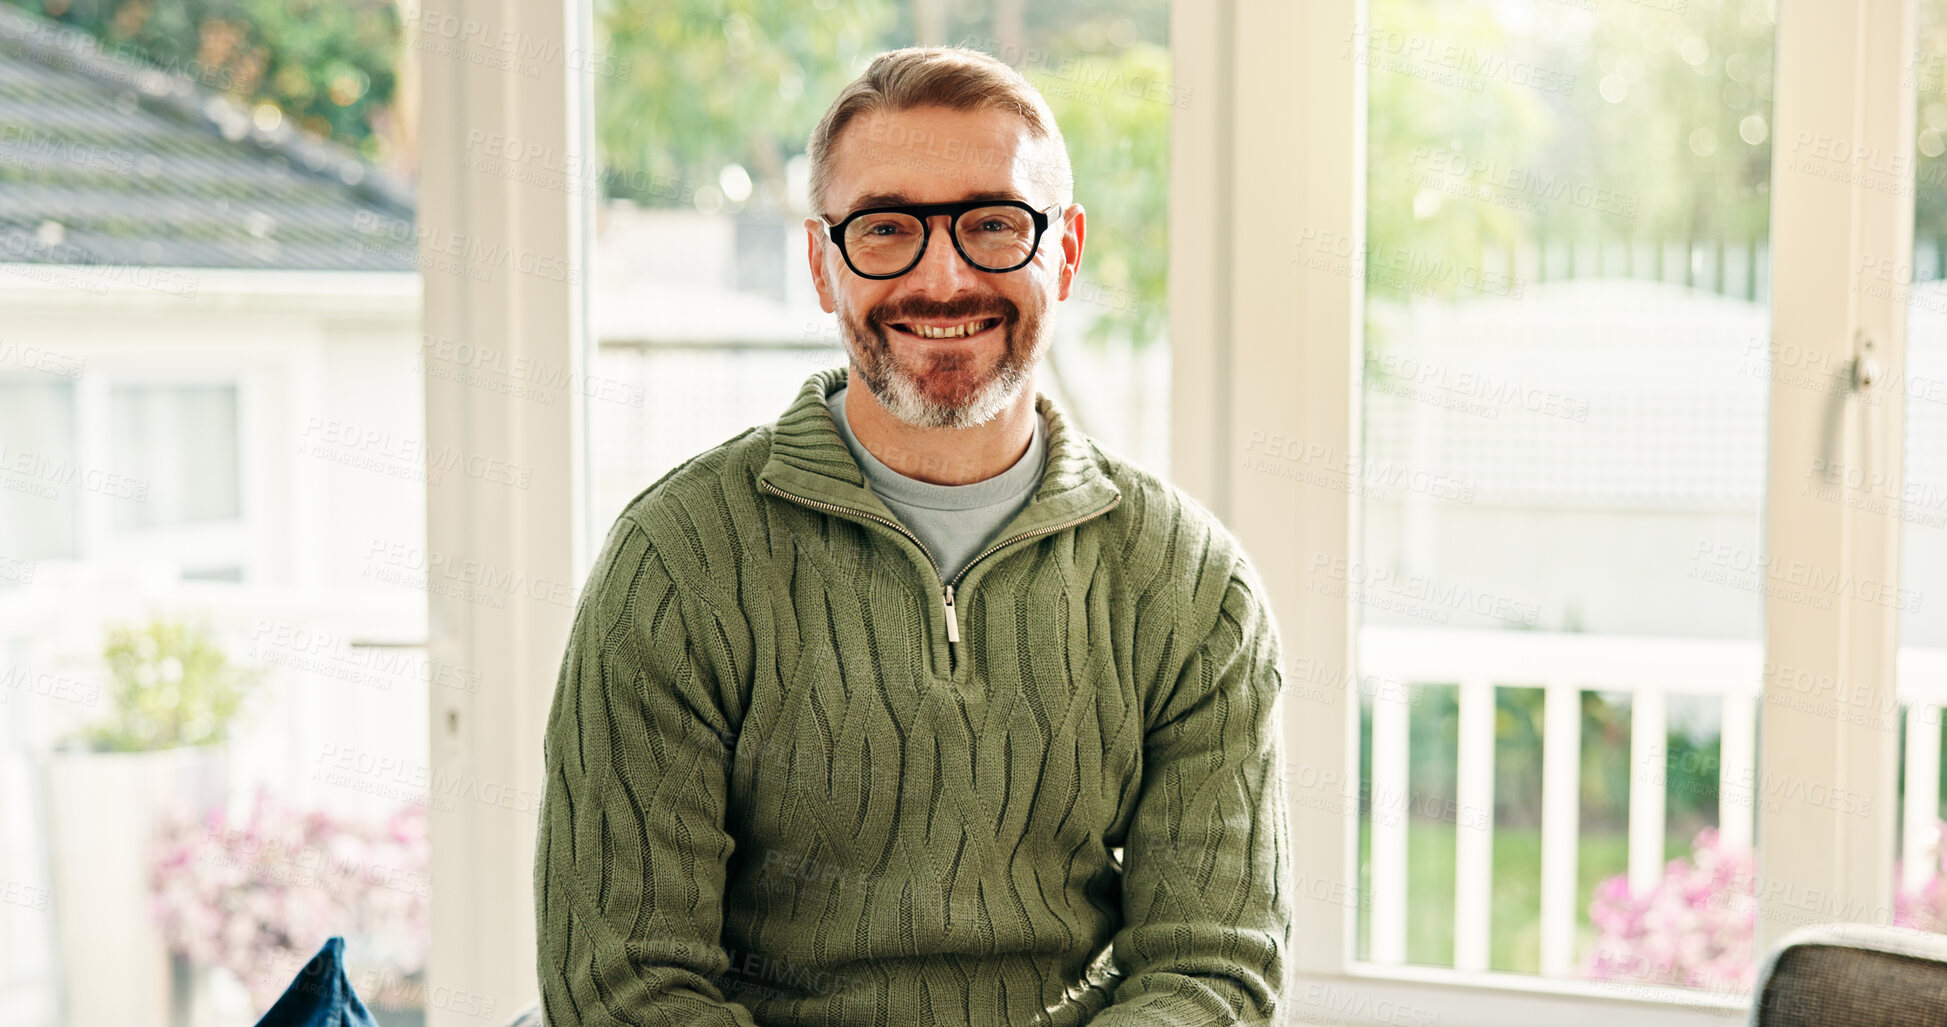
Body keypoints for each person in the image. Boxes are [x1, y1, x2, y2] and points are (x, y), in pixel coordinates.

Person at [534, 44, 1291, 1026]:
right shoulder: (676, 563)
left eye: (993, 223)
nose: (943, 277)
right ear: (822, 263)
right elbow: (621, 982)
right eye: (887, 227)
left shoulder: (1194, 588)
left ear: (1064, 251)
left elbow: (1212, 970)